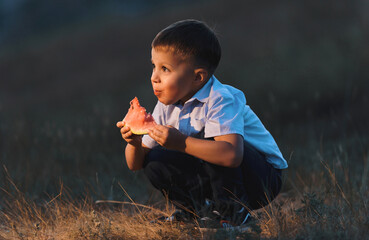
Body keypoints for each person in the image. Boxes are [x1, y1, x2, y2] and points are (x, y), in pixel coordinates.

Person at [116, 19, 288, 229]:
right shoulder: (166, 106)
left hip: (262, 178)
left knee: (213, 141)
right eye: (154, 66)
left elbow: (232, 155)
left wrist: (181, 143)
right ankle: (195, 212)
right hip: (220, 172)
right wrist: (133, 143)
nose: (154, 77)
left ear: (198, 77)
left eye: (165, 69)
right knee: (155, 160)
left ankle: (235, 215)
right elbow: (135, 165)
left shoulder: (221, 99)